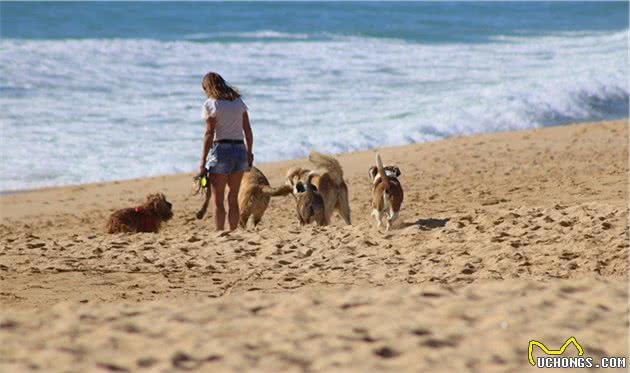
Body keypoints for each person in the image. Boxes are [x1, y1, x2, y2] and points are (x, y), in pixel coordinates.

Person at [198, 72, 253, 231]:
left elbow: (209, 133)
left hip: (221, 150)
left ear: (208, 87)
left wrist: (202, 162)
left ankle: (220, 232)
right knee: (233, 197)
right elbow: (248, 131)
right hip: (239, 149)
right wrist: (249, 153)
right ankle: (233, 231)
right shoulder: (238, 102)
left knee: (218, 199)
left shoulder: (211, 104)